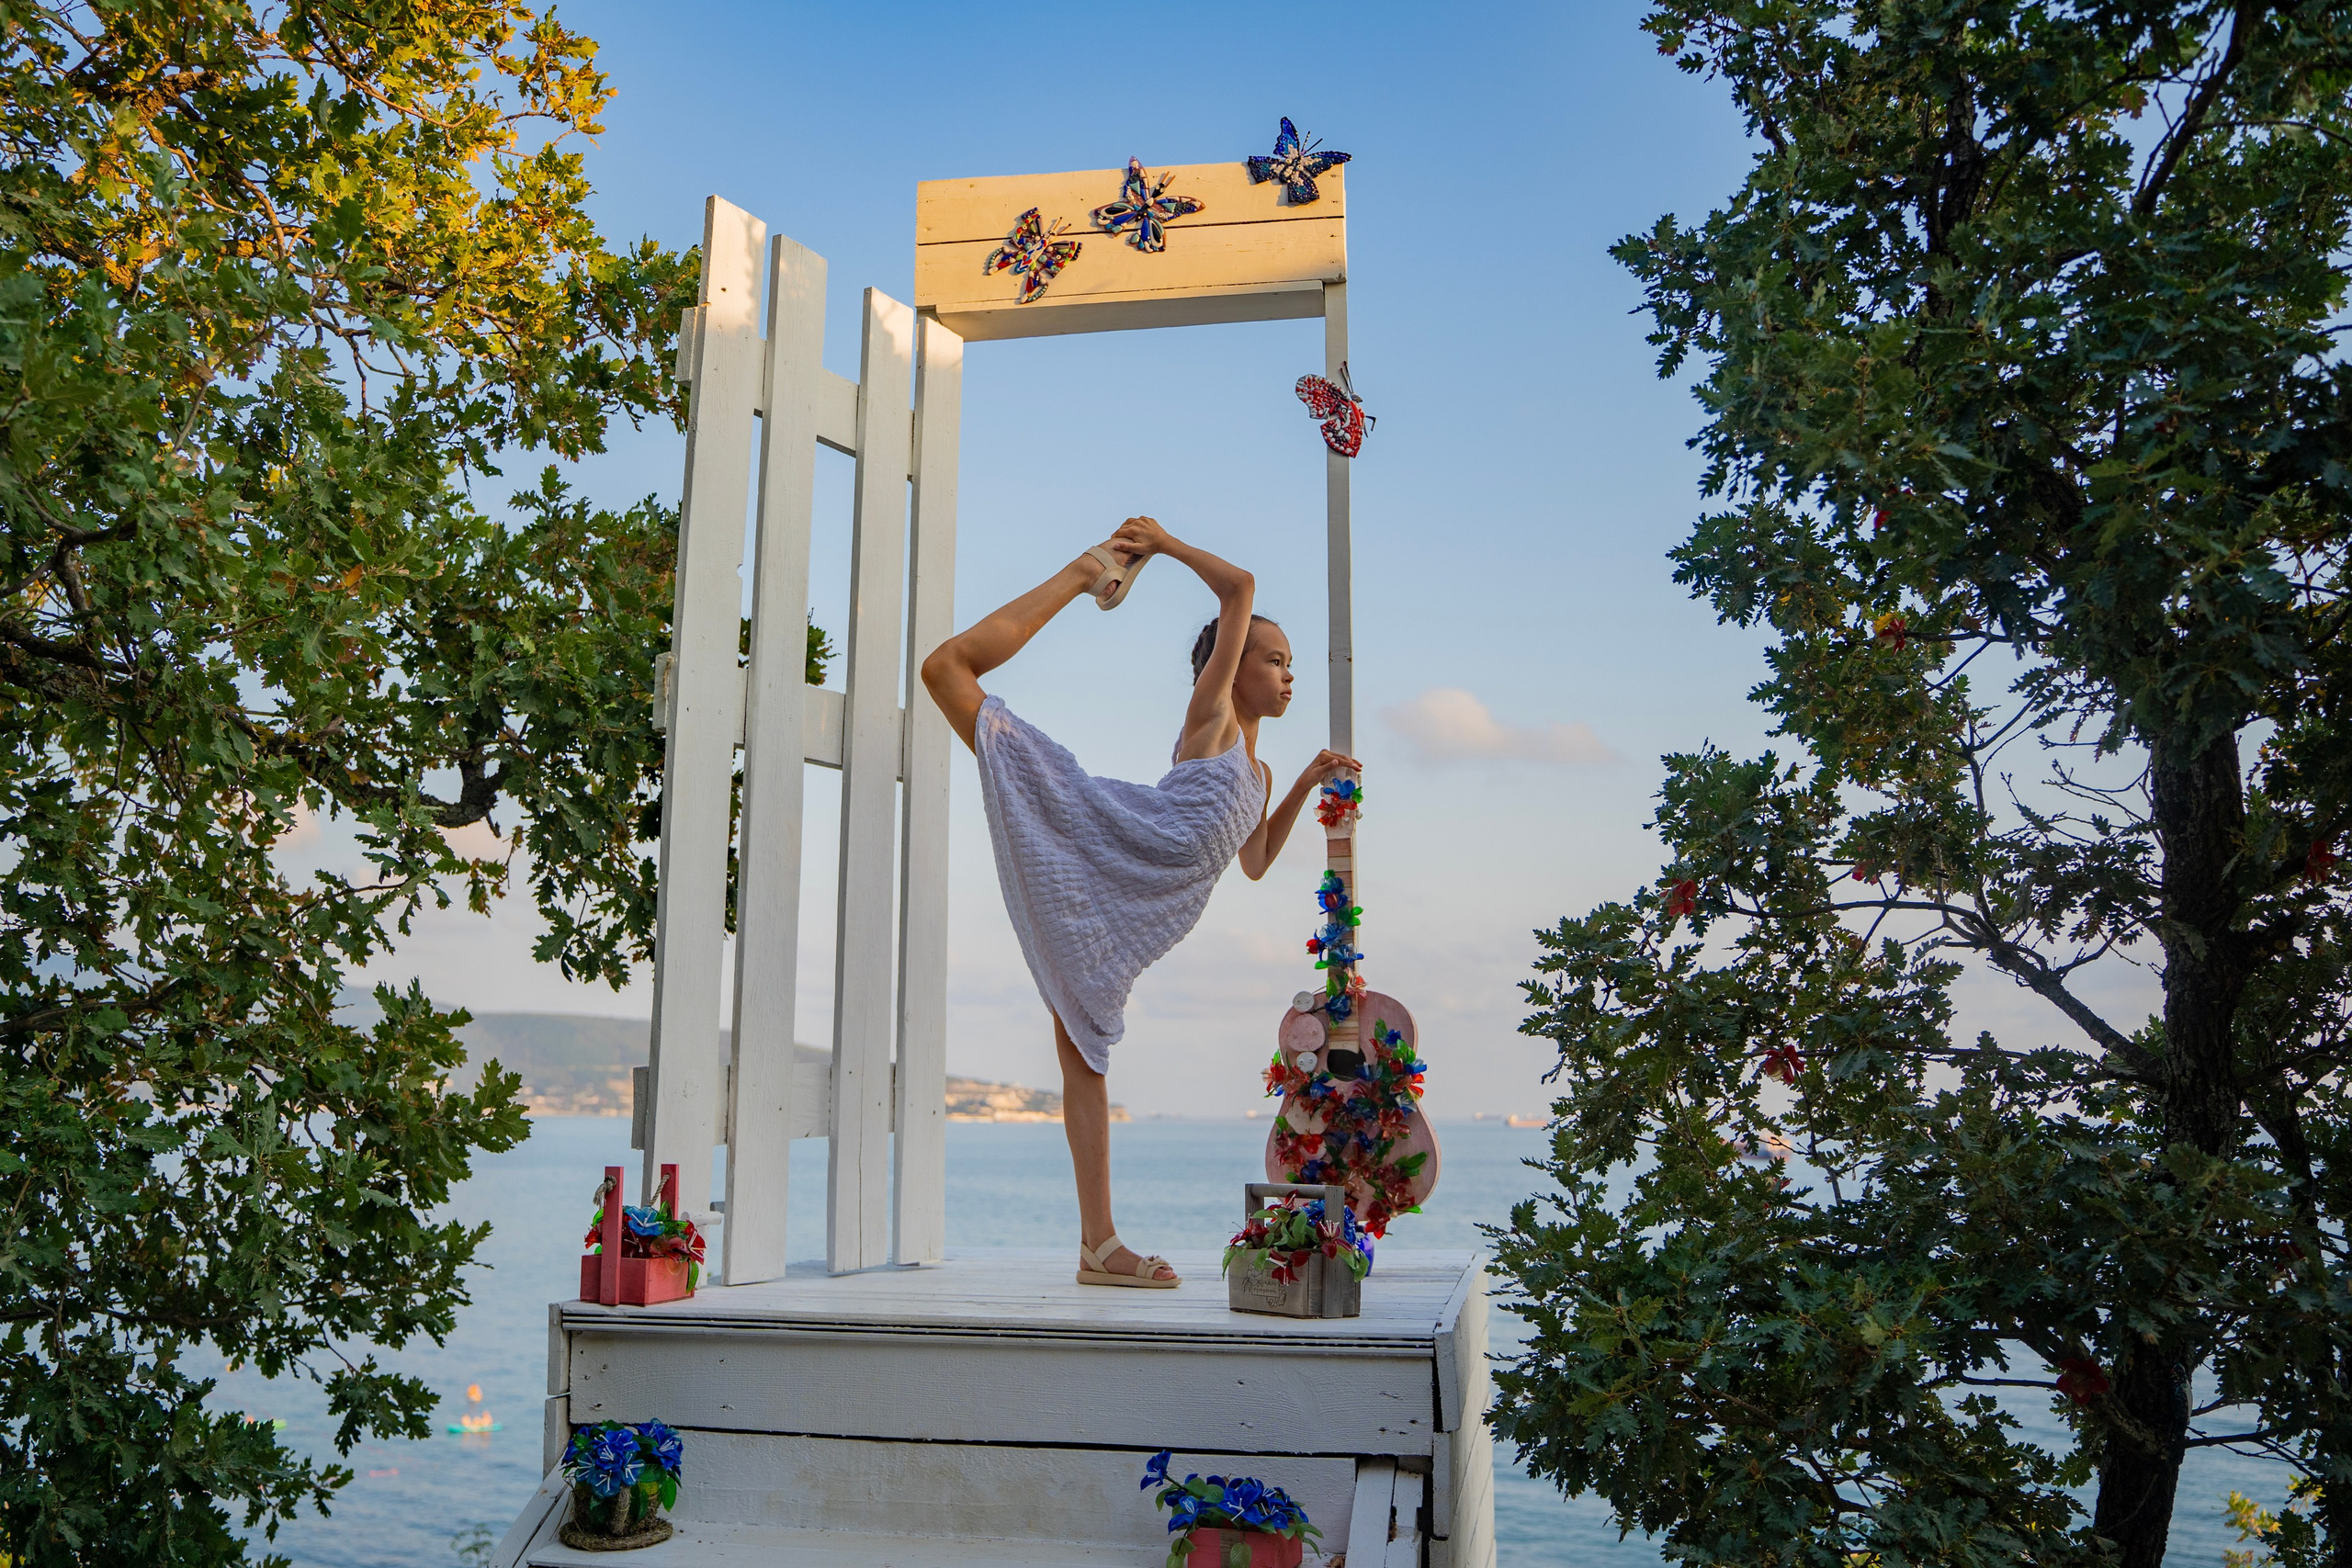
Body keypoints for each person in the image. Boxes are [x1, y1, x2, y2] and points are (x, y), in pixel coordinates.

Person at [921, 515, 1356, 1288]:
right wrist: (1161, 544)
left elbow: (1252, 861)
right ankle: (1081, 574)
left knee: (1084, 1043)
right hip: (1103, 834)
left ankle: (1099, 1247)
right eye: (1275, 659)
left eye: (1291, 664)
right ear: (1225, 669)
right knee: (947, 670)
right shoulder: (1211, 719)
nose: (1289, 675)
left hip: (1126, 906)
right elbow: (1241, 588)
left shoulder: (1253, 775)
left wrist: (1301, 783)